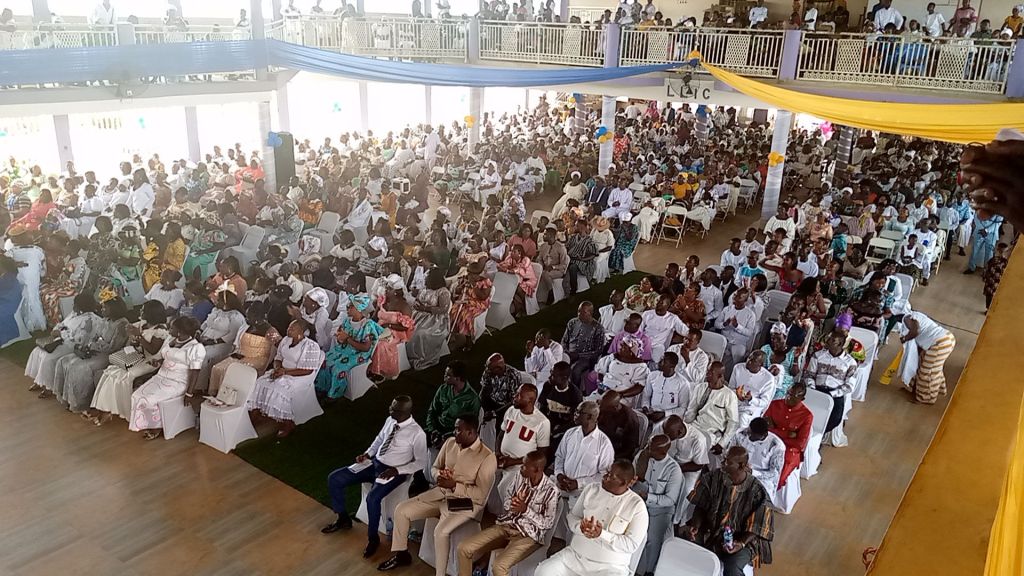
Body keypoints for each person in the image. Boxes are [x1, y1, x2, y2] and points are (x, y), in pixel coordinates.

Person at [376, 414, 497, 576]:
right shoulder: (450, 443)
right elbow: (434, 467)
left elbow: (480, 495)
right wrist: (439, 475)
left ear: (471, 432)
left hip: (466, 504)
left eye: (458, 430)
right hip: (439, 494)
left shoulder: (487, 457)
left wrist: (454, 485)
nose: (454, 432)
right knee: (402, 510)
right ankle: (401, 554)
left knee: (441, 532)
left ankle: (440, 574)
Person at [323, 396, 428, 557]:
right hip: (374, 464)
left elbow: (421, 462)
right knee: (335, 478)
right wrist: (367, 454)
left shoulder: (417, 433)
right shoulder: (390, 420)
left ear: (404, 412)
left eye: (393, 409)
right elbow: (379, 440)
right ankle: (343, 518)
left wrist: (397, 470)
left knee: (373, 499)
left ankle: (373, 539)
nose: (389, 409)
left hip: (394, 471)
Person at [535, 460, 649, 576]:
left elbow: (631, 545)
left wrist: (601, 534)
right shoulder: (591, 489)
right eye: (607, 472)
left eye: (610, 476)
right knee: (544, 571)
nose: (604, 476)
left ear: (623, 482)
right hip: (575, 557)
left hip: (610, 567)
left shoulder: (637, 506)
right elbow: (572, 517)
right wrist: (582, 527)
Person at [456, 450, 559, 576]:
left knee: (499, 566)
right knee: (464, 548)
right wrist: (513, 504)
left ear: (537, 470)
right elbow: (507, 499)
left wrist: (525, 510)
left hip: (528, 536)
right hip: (506, 526)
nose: (521, 467)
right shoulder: (520, 476)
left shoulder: (551, 491)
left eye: (525, 466)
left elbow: (547, 524)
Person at [682, 446, 774, 575]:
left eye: (728, 462)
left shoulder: (757, 491)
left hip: (743, 539)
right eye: (724, 459)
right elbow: (701, 505)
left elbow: (758, 525)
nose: (723, 463)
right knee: (684, 544)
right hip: (711, 530)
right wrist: (695, 526)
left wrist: (741, 543)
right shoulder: (713, 477)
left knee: (733, 566)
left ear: (741, 466)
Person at [89, 300, 168, 426]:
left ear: (151, 313)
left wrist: (139, 336)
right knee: (110, 372)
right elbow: (136, 344)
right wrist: (133, 337)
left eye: (143, 310)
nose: (140, 311)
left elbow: (153, 350)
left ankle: (123, 410)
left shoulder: (161, 330)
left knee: (125, 376)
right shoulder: (143, 324)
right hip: (137, 356)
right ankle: (106, 409)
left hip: (150, 362)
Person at [129, 316, 205, 440]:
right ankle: (146, 422)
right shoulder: (171, 340)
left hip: (178, 381)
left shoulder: (195, 348)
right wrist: (157, 362)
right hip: (161, 376)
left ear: (180, 331)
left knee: (149, 399)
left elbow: (195, 372)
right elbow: (166, 357)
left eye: (172, 328)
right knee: (136, 395)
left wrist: (189, 393)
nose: (169, 330)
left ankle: (157, 426)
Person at [53, 297, 131, 415]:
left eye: (105, 307)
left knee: (78, 367)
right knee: (64, 361)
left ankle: (82, 403)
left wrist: (95, 345)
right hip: (96, 350)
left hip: (108, 355)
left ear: (114, 309)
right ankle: (68, 398)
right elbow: (95, 337)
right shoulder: (106, 320)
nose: (102, 309)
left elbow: (113, 347)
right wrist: (87, 346)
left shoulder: (122, 324)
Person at [249, 319, 325, 437]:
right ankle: (257, 412)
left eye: (292, 329)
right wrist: (277, 369)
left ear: (301, 331)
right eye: (289, 327)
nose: (288, 330)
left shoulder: (311, 346)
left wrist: (285, 372)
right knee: (260, 382)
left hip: (299, 376)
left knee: (279, 389)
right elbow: (278, 358)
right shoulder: (285, 340)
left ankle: (287, 423)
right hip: (282, 371)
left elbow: (308, 370)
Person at [26, 293, 101, 396]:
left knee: (49, 358)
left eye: (75, 304)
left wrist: (61, 334)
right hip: (61, 340)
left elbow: (80, 339)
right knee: (37, 351)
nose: (73, 306)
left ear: (82, 305)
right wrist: (56, 330)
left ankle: (49, 386)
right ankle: (39, 380)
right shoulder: (74, 314)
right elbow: (62, 324)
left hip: (71, 345)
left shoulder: (90, 320)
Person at [633, 434, 683, 576]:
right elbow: (633, 478)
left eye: (650, 448)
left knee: (652, 540)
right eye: (648, 445)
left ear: (662, 452)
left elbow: (670, 500)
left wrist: (648, 497)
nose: (647, 449)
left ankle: (647, 572)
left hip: (661, 510)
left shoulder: (673, 469)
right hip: (638, 502)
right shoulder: (642, 457)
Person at [316, 295, 383, 400]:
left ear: (359, 308)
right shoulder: (347, 321)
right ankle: (323, 387)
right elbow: (340, 335)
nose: (347, 308)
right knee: (324, 361)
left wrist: (347, 339)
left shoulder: (367, 325)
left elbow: (365, 348)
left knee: (338, 368)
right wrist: (340, 338)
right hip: (344, 349)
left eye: (350, 306)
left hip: (358, 354)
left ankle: (334, 395)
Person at [208, 301, 280, 396]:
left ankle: (229, 397)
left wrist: (267, 365)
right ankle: (217, 395)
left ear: (257, 317)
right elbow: (238, 343)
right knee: (217, 368)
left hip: (258, 359)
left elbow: (278, 348)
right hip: (241, 354)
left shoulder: (270, 330)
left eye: (249, 316)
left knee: (230, 371)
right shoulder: (247, 327)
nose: (246, 318)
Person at [495, 384, 551, 496]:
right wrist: (497, 453)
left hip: (520, 466)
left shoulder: (542, 422)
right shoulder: (511, 411)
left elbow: (541, 454)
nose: (514, 397)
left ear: (530, 400)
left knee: (505, 490)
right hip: (501, 460)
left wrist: (513, 461)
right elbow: (501, 434)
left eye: (519, 395)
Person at [804, 331, 857, 433]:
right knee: (807, 413)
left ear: (840, 344)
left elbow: (849, 386)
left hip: (835, 394)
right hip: (817, 389)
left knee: (835, 419)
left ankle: (821, 433)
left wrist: (832, 394)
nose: (827, 341)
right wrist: (813, 389)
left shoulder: (850, 362)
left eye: (832, 340)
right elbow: (809, 375)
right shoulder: (818, 355)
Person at [684, 361, 739, 455]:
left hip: (712, 433)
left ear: (719, 376)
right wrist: (685, 426)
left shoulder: (729, 395)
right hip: (695, 426)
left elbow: (733, 423)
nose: (707, 374)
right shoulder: (700, 387)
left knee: (692, 450)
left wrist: (722, 444)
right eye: (707, 370)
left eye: (711, 372)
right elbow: (691, 410)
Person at [901, 311, 956, 404]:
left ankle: (926, 398)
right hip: (944, 338)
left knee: (927, 372)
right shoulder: (914, 314)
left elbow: (915, 332)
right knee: (923, 366)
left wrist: (904, 339)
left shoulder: (906, 319)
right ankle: (918, 392)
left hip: (940, 343)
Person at [764, 381, 812, 487]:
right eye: (788, 393)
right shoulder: (775, 404)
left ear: (802, 399)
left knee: (778, 472)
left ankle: (770, 490)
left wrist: (775, 431)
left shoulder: (806, 415)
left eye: (794, 396)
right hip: (770, 442)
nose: (788, 397)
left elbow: (800, 444)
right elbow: (765, 427)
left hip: (789, 449)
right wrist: (786, 434)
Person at [729, 418, 785, 504]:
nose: (750, 437)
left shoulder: (777, 446)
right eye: (750, 432)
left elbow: (774, 474)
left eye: (754, 436)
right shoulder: (741, 434)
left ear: (765, 434)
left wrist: (752, 472)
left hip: (762, 478)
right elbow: (730, 452)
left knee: (754, 500)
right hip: (739, 470)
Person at [425, 361, 481, 448]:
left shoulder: (472, 399)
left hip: (454, 433)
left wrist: (448, 437)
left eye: (448, 375)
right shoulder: (443, 389)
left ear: (457, 378)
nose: (444, 376)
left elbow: (470, 426)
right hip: (437, 428)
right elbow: (432, 411)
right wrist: (432, 430)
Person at [407, 268, 452, 370]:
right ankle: (407, 356)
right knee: (407, 328)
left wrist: (425, 308)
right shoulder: (425, 289)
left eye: (427, 277)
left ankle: (420, 357)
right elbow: (419, 300)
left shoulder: (443, 292)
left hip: (436, 320)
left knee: (420, 333)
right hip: (419, 316)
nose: (425, 279)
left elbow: (443, 309)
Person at [561, 301, 606, 386]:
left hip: (585, 358)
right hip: (568, 354)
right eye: (579, 311)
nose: (579, 314)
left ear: (591, 313)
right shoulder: (572, 322)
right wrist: (566, 351)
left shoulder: (598, 328)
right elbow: (564, 340)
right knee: (558, 367)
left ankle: (575, 391)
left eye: (583, 312)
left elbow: (598, 351)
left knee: (575, 370)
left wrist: (578, 355)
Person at [730, 350, 777, 429]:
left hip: (751, 408)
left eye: (753, 360)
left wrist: (751, 399)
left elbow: (764, 402)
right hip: (733, 402)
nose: (748, 361)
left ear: (761, 364)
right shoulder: (738, 367)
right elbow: (730, 387)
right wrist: (736, 392)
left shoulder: (769, 379)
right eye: (749, 358)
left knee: (741, 420)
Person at [640, 352, 689, 424]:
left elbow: (683, 409)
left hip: (668, 417)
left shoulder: (683, 383)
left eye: (664, 361)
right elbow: (646, 395)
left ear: (672, 366)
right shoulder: (652, 376)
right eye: (661, 359)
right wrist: (645, 407)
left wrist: (665, 413)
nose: (659, 362)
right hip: (651, 412)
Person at [717, 288, 757, 366]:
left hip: (739, 343)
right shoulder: (727, 309)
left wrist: (737, 326)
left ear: (745, 300)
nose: (735, 298)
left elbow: (749, 332)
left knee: (738, 360)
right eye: (735, 295)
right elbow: (717, 324)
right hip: (724, 340)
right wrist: (724, 324)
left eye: (739, 297)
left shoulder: (750, 314)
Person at [498, 244, 538, 316]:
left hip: (528, 280)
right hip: (517, 279)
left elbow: (519, 270)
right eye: (511, 251)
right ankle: (518, 306)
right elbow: (503, 264)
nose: (511, 253)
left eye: (514, 251)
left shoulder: (526, 260)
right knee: (509, 287)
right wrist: (502, 267)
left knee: (517, 288)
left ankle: (523, 306)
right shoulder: (511, 258)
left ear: (519, 253)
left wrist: (507, 270)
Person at [525, 328, 564, 393]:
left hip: (548, 380)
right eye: (535, 339)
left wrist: (546, 348)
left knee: (534, 391)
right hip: (535, 379)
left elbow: (555, 368)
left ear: (545, 339)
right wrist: (529, 352)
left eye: (538, 339)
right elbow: (529, 370)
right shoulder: (536, 348)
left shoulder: (557, 347)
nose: (535, 342)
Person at [983, 242, 1010, 310]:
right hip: (991, 281)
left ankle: (989, 309)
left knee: (993, 296)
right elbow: (986, 269)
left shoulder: (1005, 262)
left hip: (997, 282)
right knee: (989, 296)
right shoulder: (994, 260)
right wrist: (985, 277)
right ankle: (988, 309)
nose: (1003, 254)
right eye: (1002, 251)